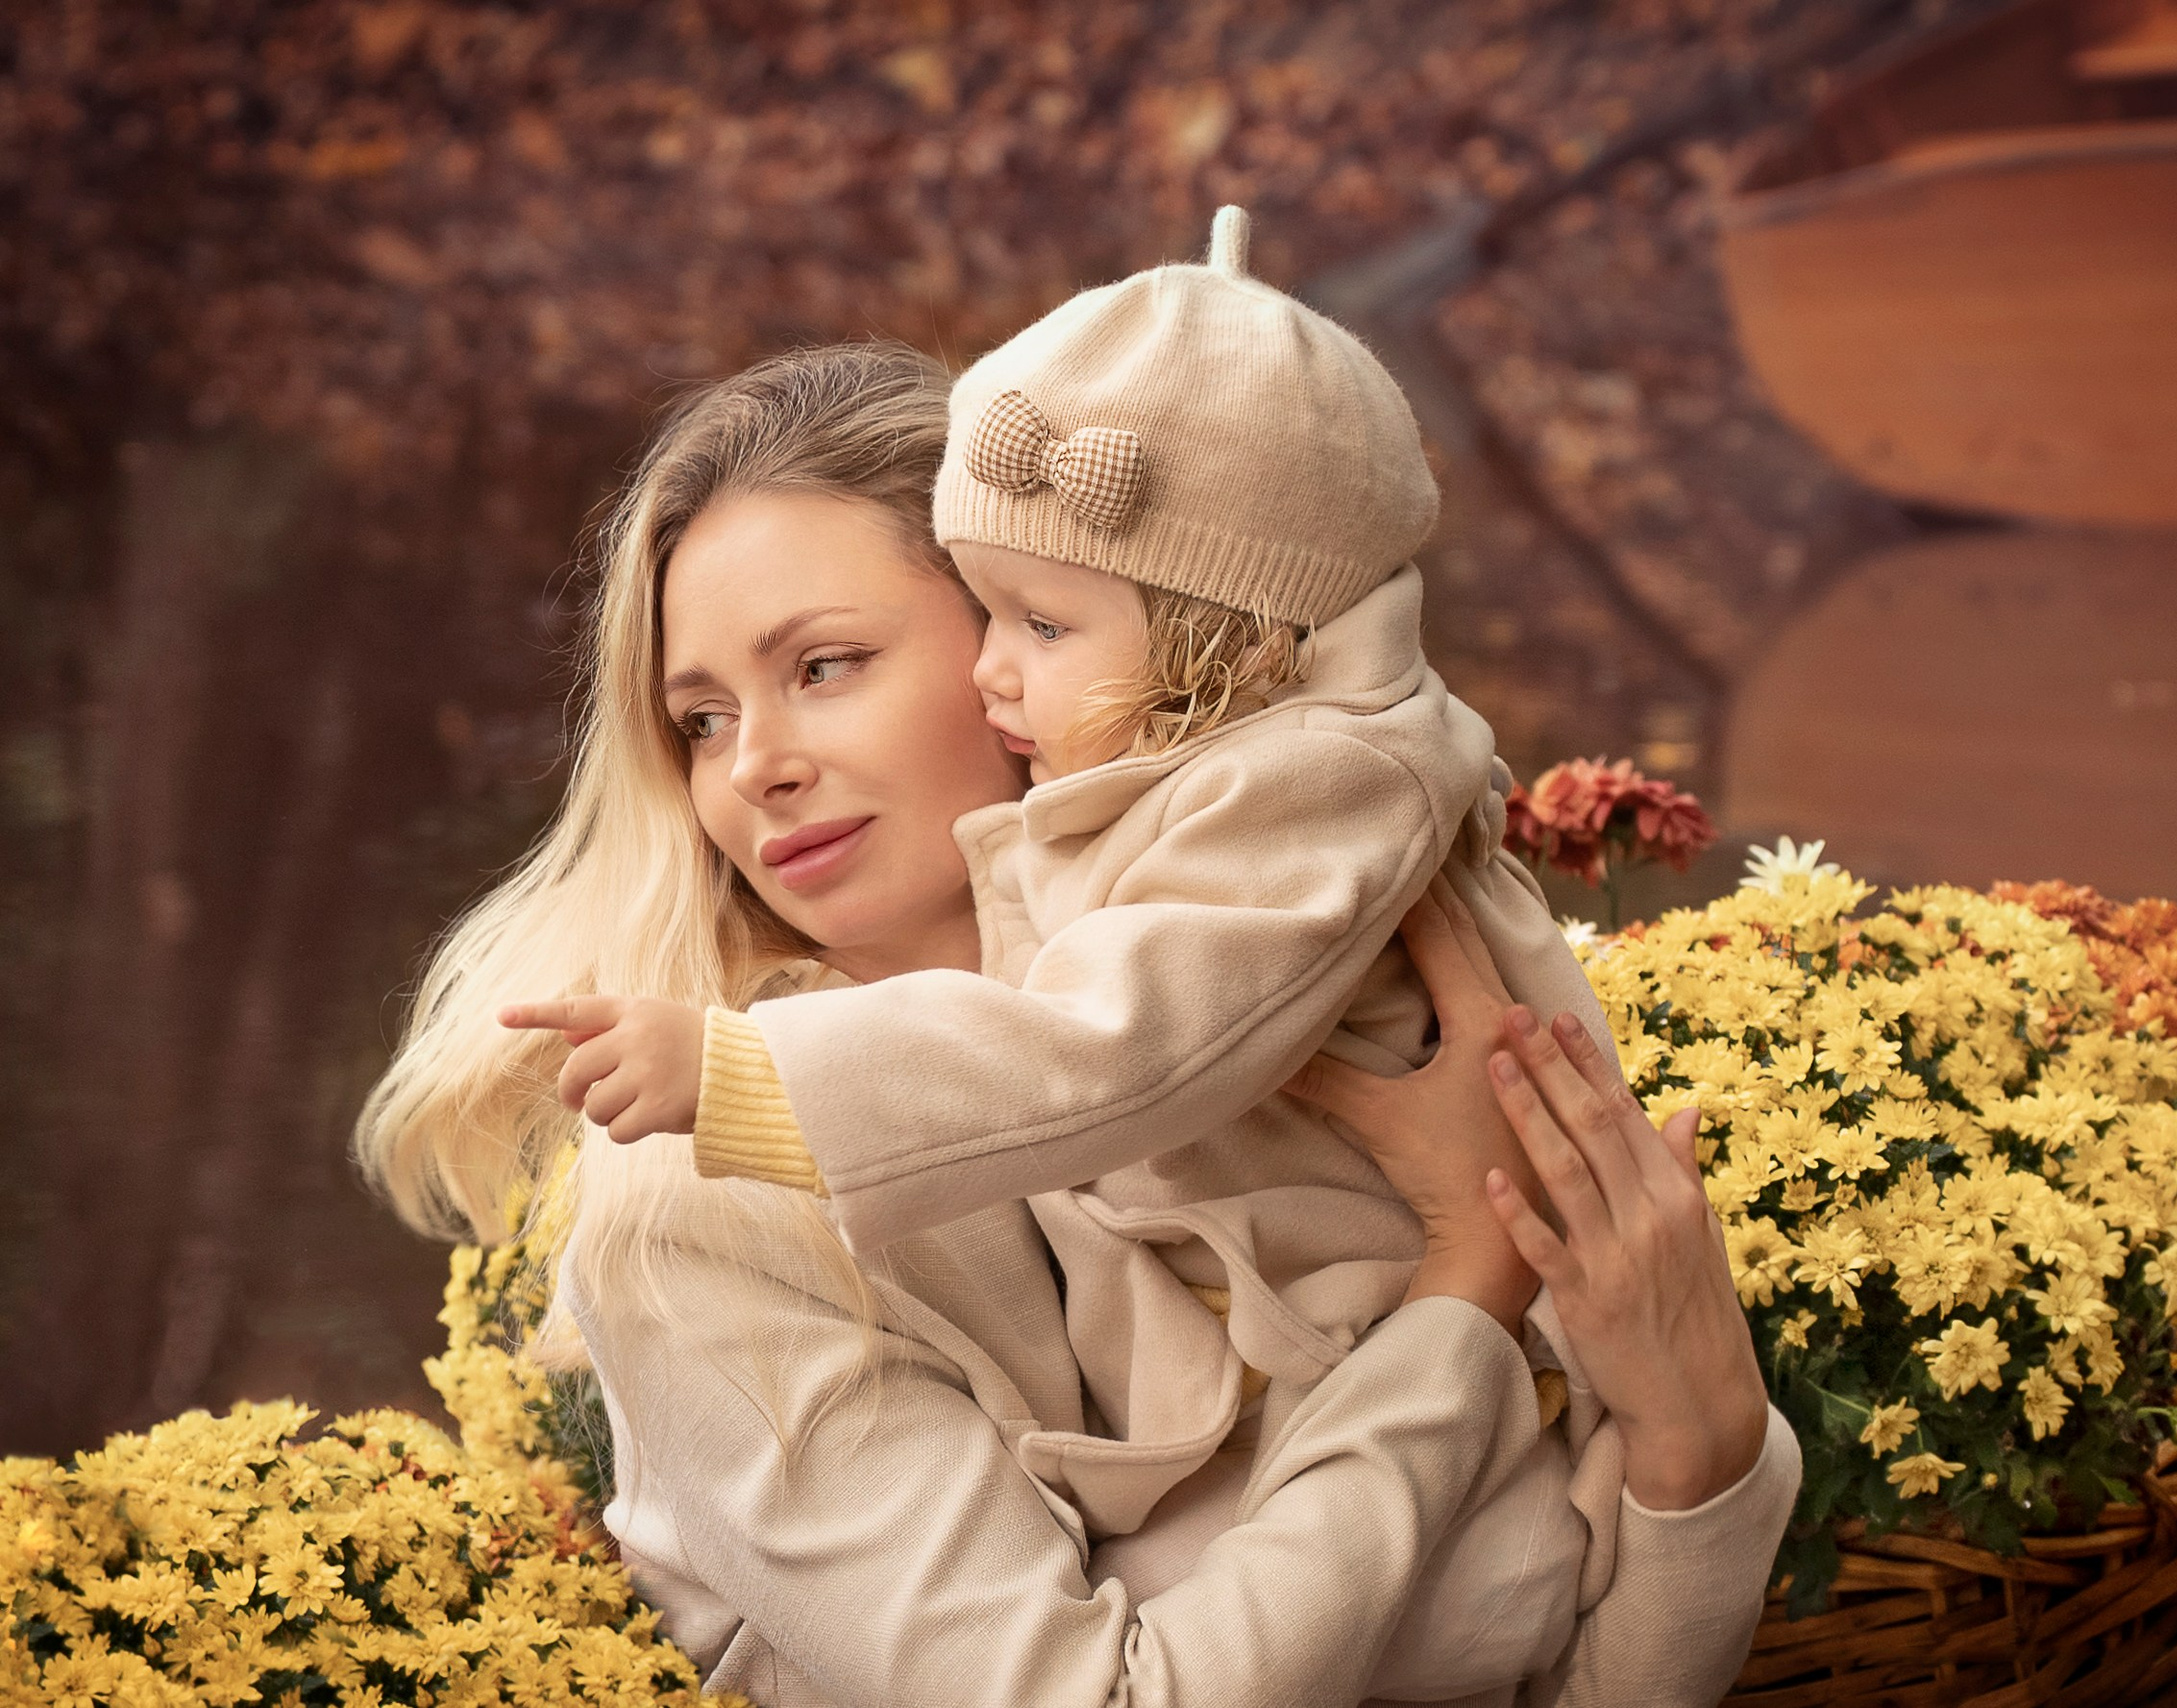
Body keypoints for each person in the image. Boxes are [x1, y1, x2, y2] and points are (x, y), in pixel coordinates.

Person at [360, 339, 1797, 1707]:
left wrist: (1698, 1451)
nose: (758, 771)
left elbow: (1533, 1662)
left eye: (823, 667)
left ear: (1033, 631)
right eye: (700, 721)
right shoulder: (707, 1195)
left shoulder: (1281, 1018)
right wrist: (1462, 1299)